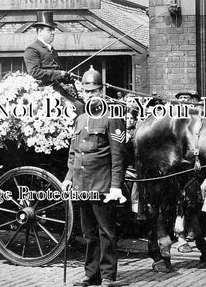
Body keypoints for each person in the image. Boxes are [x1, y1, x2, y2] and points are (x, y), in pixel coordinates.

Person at [62, 66, 128, 287]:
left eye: (93, 91)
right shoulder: (80, 119)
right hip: (82, 184)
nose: (89, 95)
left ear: (101, 91)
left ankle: (108, 276)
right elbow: (74, 152)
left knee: (106, 232)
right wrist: (68, 179)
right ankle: (92, 275)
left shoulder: (112, 117)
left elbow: (118, 156)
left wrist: (116, 186)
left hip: (103, 184)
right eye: (86, 91)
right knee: (89, 233)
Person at [24, 11, 82, 112]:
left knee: (82, 104)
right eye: (49, 30)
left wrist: (66, 77)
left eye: (53, 29)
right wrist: (59, 74)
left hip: (58, 89)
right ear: (39, 32)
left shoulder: (52, 50)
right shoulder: (32, 49)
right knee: (78, 107)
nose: (53, 32)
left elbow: (58, 71)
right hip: (44, 91)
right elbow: (34, 72)